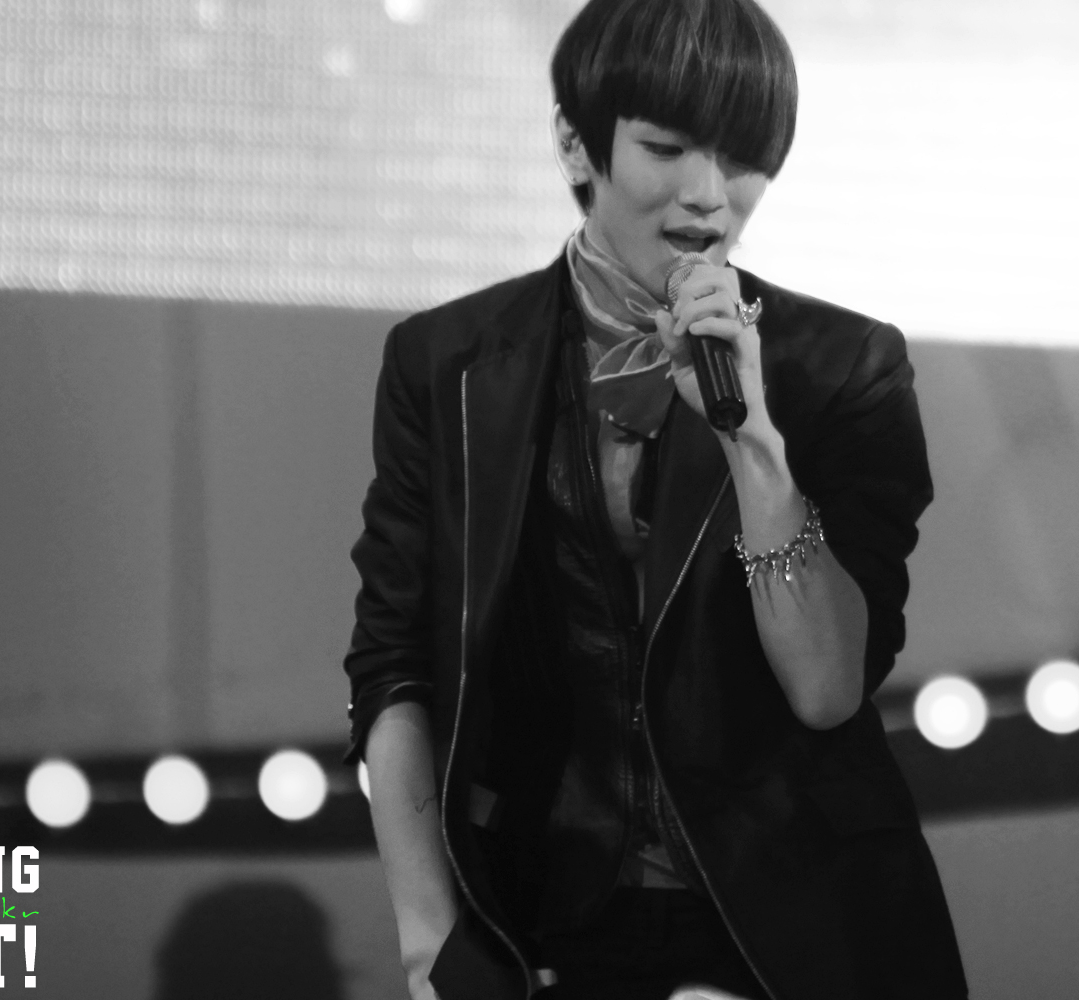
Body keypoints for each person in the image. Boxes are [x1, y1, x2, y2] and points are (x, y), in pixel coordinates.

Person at [342, 1, 968, 997]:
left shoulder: (843, 368)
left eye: (744, 158)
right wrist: (431, 948)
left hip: (792, 926)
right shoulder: (449, 365)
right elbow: (396, 661)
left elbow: (825, 686)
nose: (708, 196)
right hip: (545, 917)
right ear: (574, 143)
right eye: (667, 149)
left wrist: (752, 442)